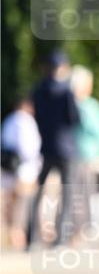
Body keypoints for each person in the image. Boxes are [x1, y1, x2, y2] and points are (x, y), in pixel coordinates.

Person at [26, 50, 80, 247]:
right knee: (66, 195)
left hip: (45, 147)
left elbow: (37, 117)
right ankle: (60, 240)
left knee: (38, 194)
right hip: (65, 150)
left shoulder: (38, 90)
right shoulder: (66, 92)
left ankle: (31, 239)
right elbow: (74, 119)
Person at [70, 65, 99, 239]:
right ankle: (80, 230)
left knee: (80, 196)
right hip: (83, 156)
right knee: (81, 196)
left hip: (82, 156)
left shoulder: (84, 105)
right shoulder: (87, 106)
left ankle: (80, 230)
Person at [1, 97, 42, 249]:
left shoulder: (9, 120)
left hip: (9, 168)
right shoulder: (25, 121)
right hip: (24, 168)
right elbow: (29, 148)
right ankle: (19, 235)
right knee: (23, 205)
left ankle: (12, 234)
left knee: (11, 204)